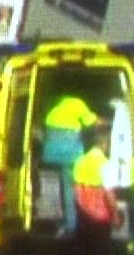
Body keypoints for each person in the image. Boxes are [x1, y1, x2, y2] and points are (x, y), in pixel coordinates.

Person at [41, 93, 99, 237]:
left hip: (51, 155)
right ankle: (72, 226)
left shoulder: (53, 111)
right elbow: (91, 123)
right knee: (70, 191)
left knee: (58, 190)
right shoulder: (77, 104)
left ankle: (59, 223)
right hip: (70, 155)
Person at [71, 124, 118, 255]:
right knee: (99, 251)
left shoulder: (80, 161)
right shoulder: (106, 164)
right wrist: (115, 214)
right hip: (101, 215)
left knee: (82, 249)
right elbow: (108, 193)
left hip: (82, 213)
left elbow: (75, 188)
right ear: (104, 143)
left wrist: (81, 206)